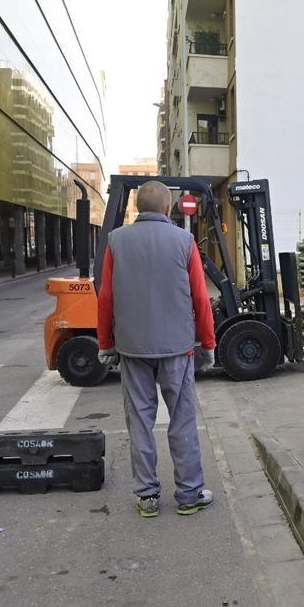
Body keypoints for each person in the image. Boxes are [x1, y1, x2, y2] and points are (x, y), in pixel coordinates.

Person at [96, 181, 217, 518]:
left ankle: (148, 495)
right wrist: (208, 343)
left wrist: (106, 342)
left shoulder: (117, 241)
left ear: (137, 208)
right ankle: (190, 494)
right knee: (182, 421)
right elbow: (200, 298)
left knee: (140, 422)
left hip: (133, 348)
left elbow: (106, 297)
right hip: (177, 348)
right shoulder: (184, 241)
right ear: (168, 209)